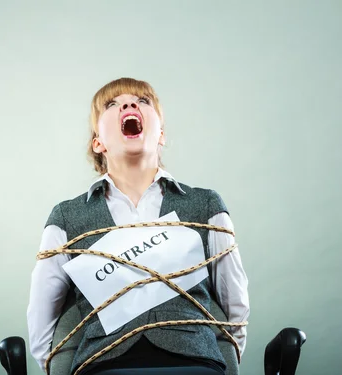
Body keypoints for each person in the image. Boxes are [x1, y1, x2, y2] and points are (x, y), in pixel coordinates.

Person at [27, 77, 250, 375]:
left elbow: (234, 305)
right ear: (98, 142)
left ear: (160, 134)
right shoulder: (66, 218)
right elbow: (43, 324)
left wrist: (223, 363)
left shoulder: (206, 205)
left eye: (142, 101)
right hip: (103, 364)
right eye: (112, 104)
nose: (130, 105)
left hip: (195, 362)